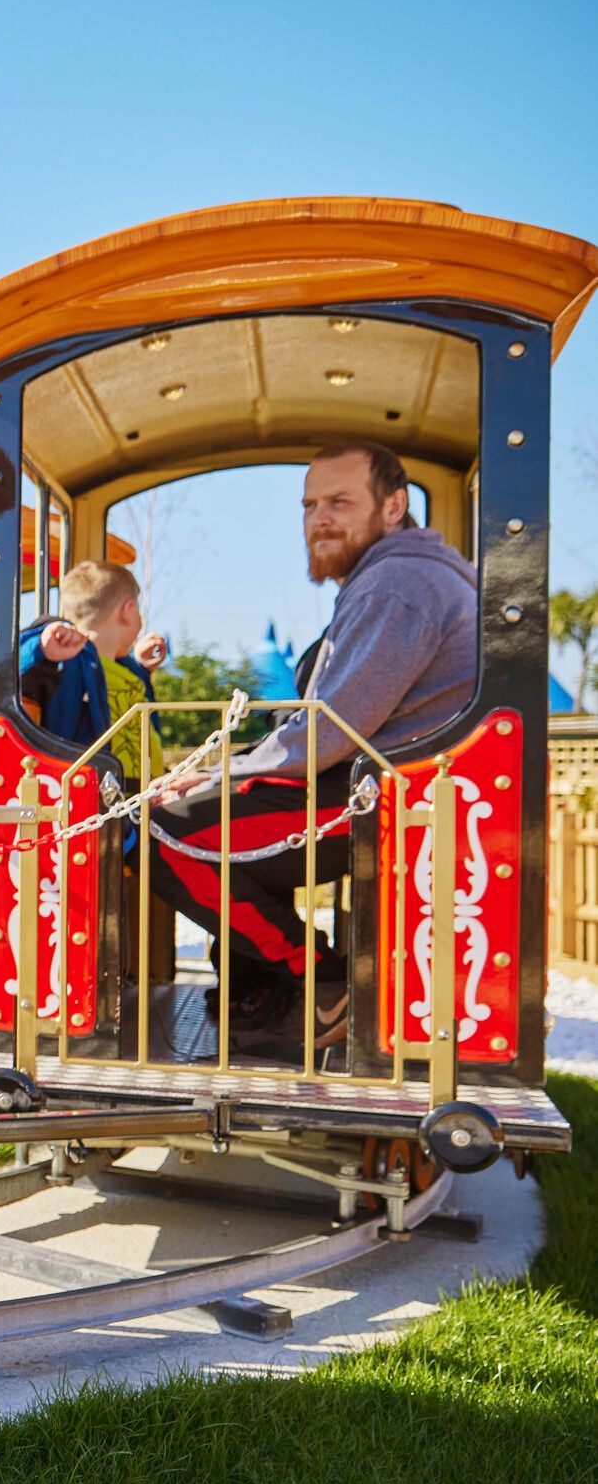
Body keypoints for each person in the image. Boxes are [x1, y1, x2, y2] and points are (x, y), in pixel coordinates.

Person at [147, 440, 478, 1045]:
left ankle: (323, 983)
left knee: (163, 835)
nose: (320, 518)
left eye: (340, 502)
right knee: (209, 825)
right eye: (310, 505)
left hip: (388, 797)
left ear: (393, 506)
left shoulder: (398, 583)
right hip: (387, 786)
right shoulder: (395, 576)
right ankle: (263, 990)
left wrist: (221, 775)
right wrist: (231, 774)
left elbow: (329, 732)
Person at [17, 561, 169, 787]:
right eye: (138, 610)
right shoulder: (69, 657)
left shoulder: (126, 669)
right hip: (95, 793)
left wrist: (142, 669)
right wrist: (41, 649)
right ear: (128, 610)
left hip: (144, 792)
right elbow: (14, 676)